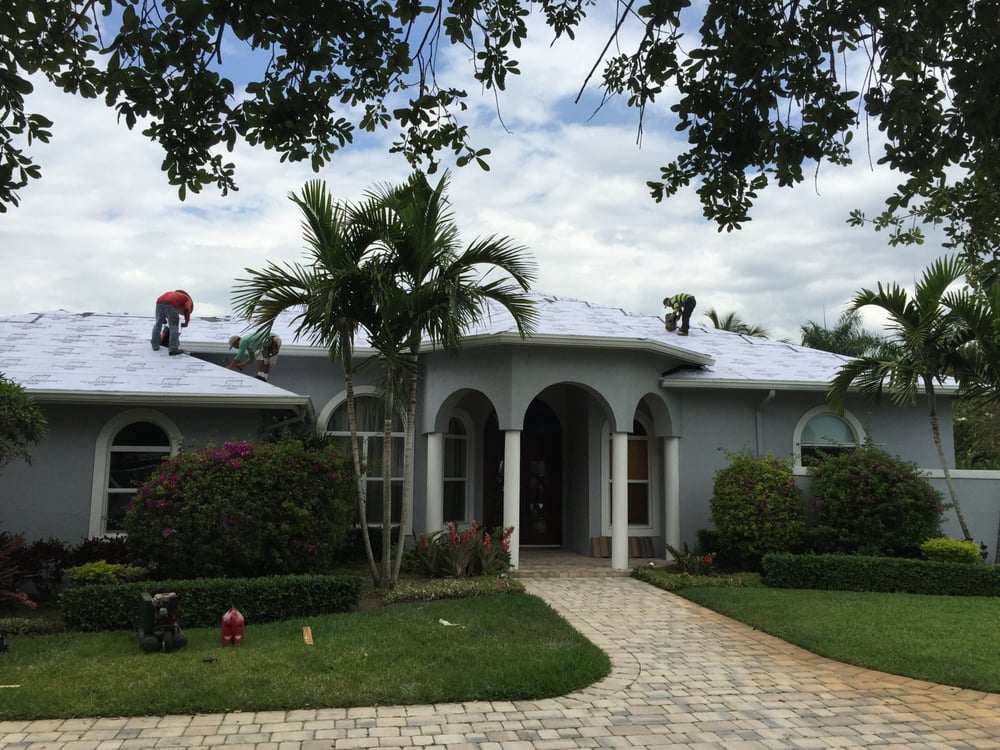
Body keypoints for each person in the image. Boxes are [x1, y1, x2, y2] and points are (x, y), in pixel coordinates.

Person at [151, 290, 194, 355]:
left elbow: (163, 307)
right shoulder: (188, 299)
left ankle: (155, 345)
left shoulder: (171, 293)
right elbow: (187, 309)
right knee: (174, 326)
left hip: (159, 302)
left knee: (157, 324)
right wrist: (186, 322)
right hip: (171, 304)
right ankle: (173, 349)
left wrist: (163, 320)